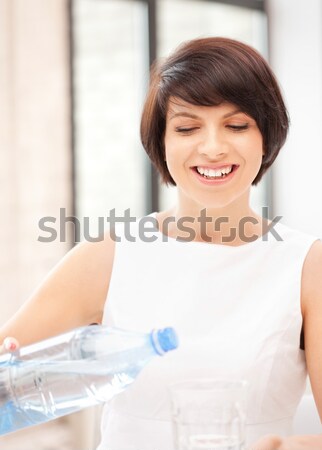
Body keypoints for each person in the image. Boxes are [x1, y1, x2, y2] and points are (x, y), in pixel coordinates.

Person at [0, 37, 322, 449]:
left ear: (267, 137)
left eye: (237, 125)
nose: (212, 147)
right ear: (162, 143)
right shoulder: (109, 256)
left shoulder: (305, 266)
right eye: (187, 128)